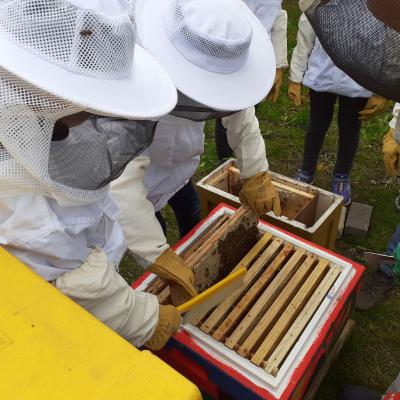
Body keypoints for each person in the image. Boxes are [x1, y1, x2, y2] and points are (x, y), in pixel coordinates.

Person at [0, 0, 193, 351]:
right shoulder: (26, 204)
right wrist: (144, 318)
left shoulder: (28, 112)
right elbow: (69, 273)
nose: (96, 111)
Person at [111, 0, 281, 280]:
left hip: (180, 166)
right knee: (151, 227)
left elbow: (240, 108)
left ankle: (195, 251)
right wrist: (156, 253)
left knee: (191, 211)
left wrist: (256, 171)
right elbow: (121, 183)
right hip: (135, 178)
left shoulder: (213, 36)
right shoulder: (132, 75)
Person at [288, 13, 386, 206]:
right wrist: (295, 77)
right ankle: (307, 171)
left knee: (350, 127)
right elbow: (306, 32)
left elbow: (387, 42)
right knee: (317, 123)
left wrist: (380, 90)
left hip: (359, 77)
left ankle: (341, 176)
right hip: (322, 71)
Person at [214, 0, 289, 164]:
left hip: (259, 59)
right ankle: (225, 162)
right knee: (225, 113)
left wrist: (278, 66)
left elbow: (277, 18)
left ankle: (245, 159)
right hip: (229, 54)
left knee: (249, 110)